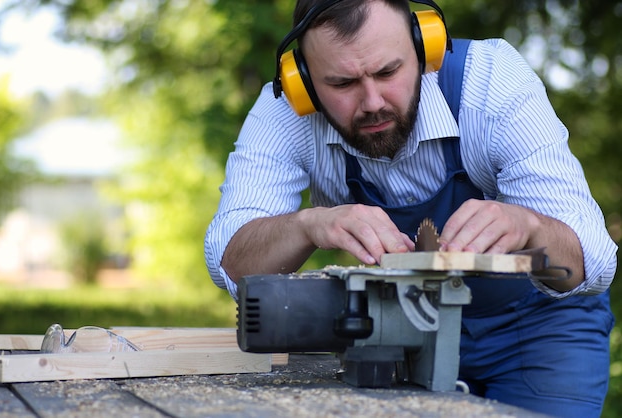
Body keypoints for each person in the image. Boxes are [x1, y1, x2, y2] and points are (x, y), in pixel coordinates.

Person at [205, 0, 617, 416]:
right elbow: (231, 264)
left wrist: (529, 225)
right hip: (401, 333)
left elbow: (594, 263)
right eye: (342, 83)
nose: (371, 102)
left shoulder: (492, 81)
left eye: (388, 72)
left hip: (542, 331)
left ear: (426, 48)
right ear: (304, 82)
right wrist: (307, 224)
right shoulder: (285, 111)